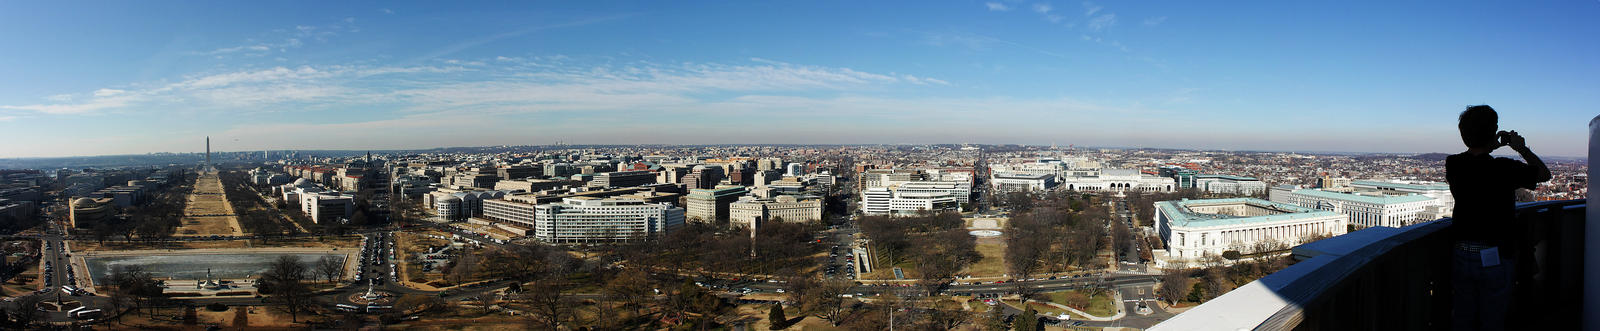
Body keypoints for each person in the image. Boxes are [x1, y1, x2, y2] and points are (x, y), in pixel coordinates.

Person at [1444, 105, 1551, 331]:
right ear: (1493, 132)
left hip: (1462, 251)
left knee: (1463, 316)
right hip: (1495, 254)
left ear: (1464, 135)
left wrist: (1490, 142)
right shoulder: (1504, 168)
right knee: (1492, 317)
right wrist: (1520, 148)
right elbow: (1544, 174)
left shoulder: (1453, 164)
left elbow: (1476, 157)